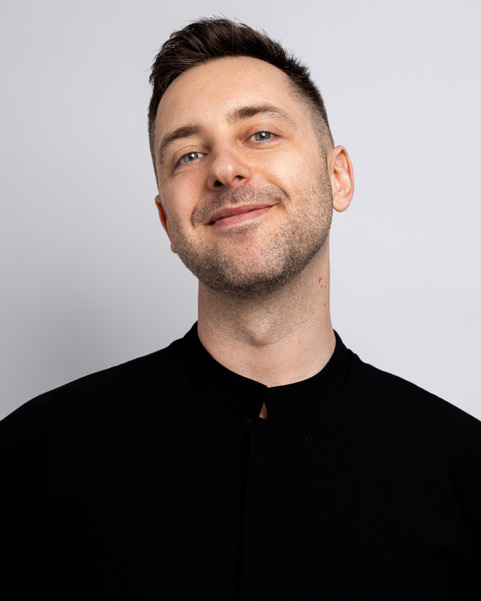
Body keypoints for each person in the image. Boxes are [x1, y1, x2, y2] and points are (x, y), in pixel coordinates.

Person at [1, 17, 481, 600]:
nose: (224, 169)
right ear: (167, 222)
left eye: (260, 134)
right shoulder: (32, 459)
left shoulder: (465, 472)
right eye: (188, 154)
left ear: (338, 177)